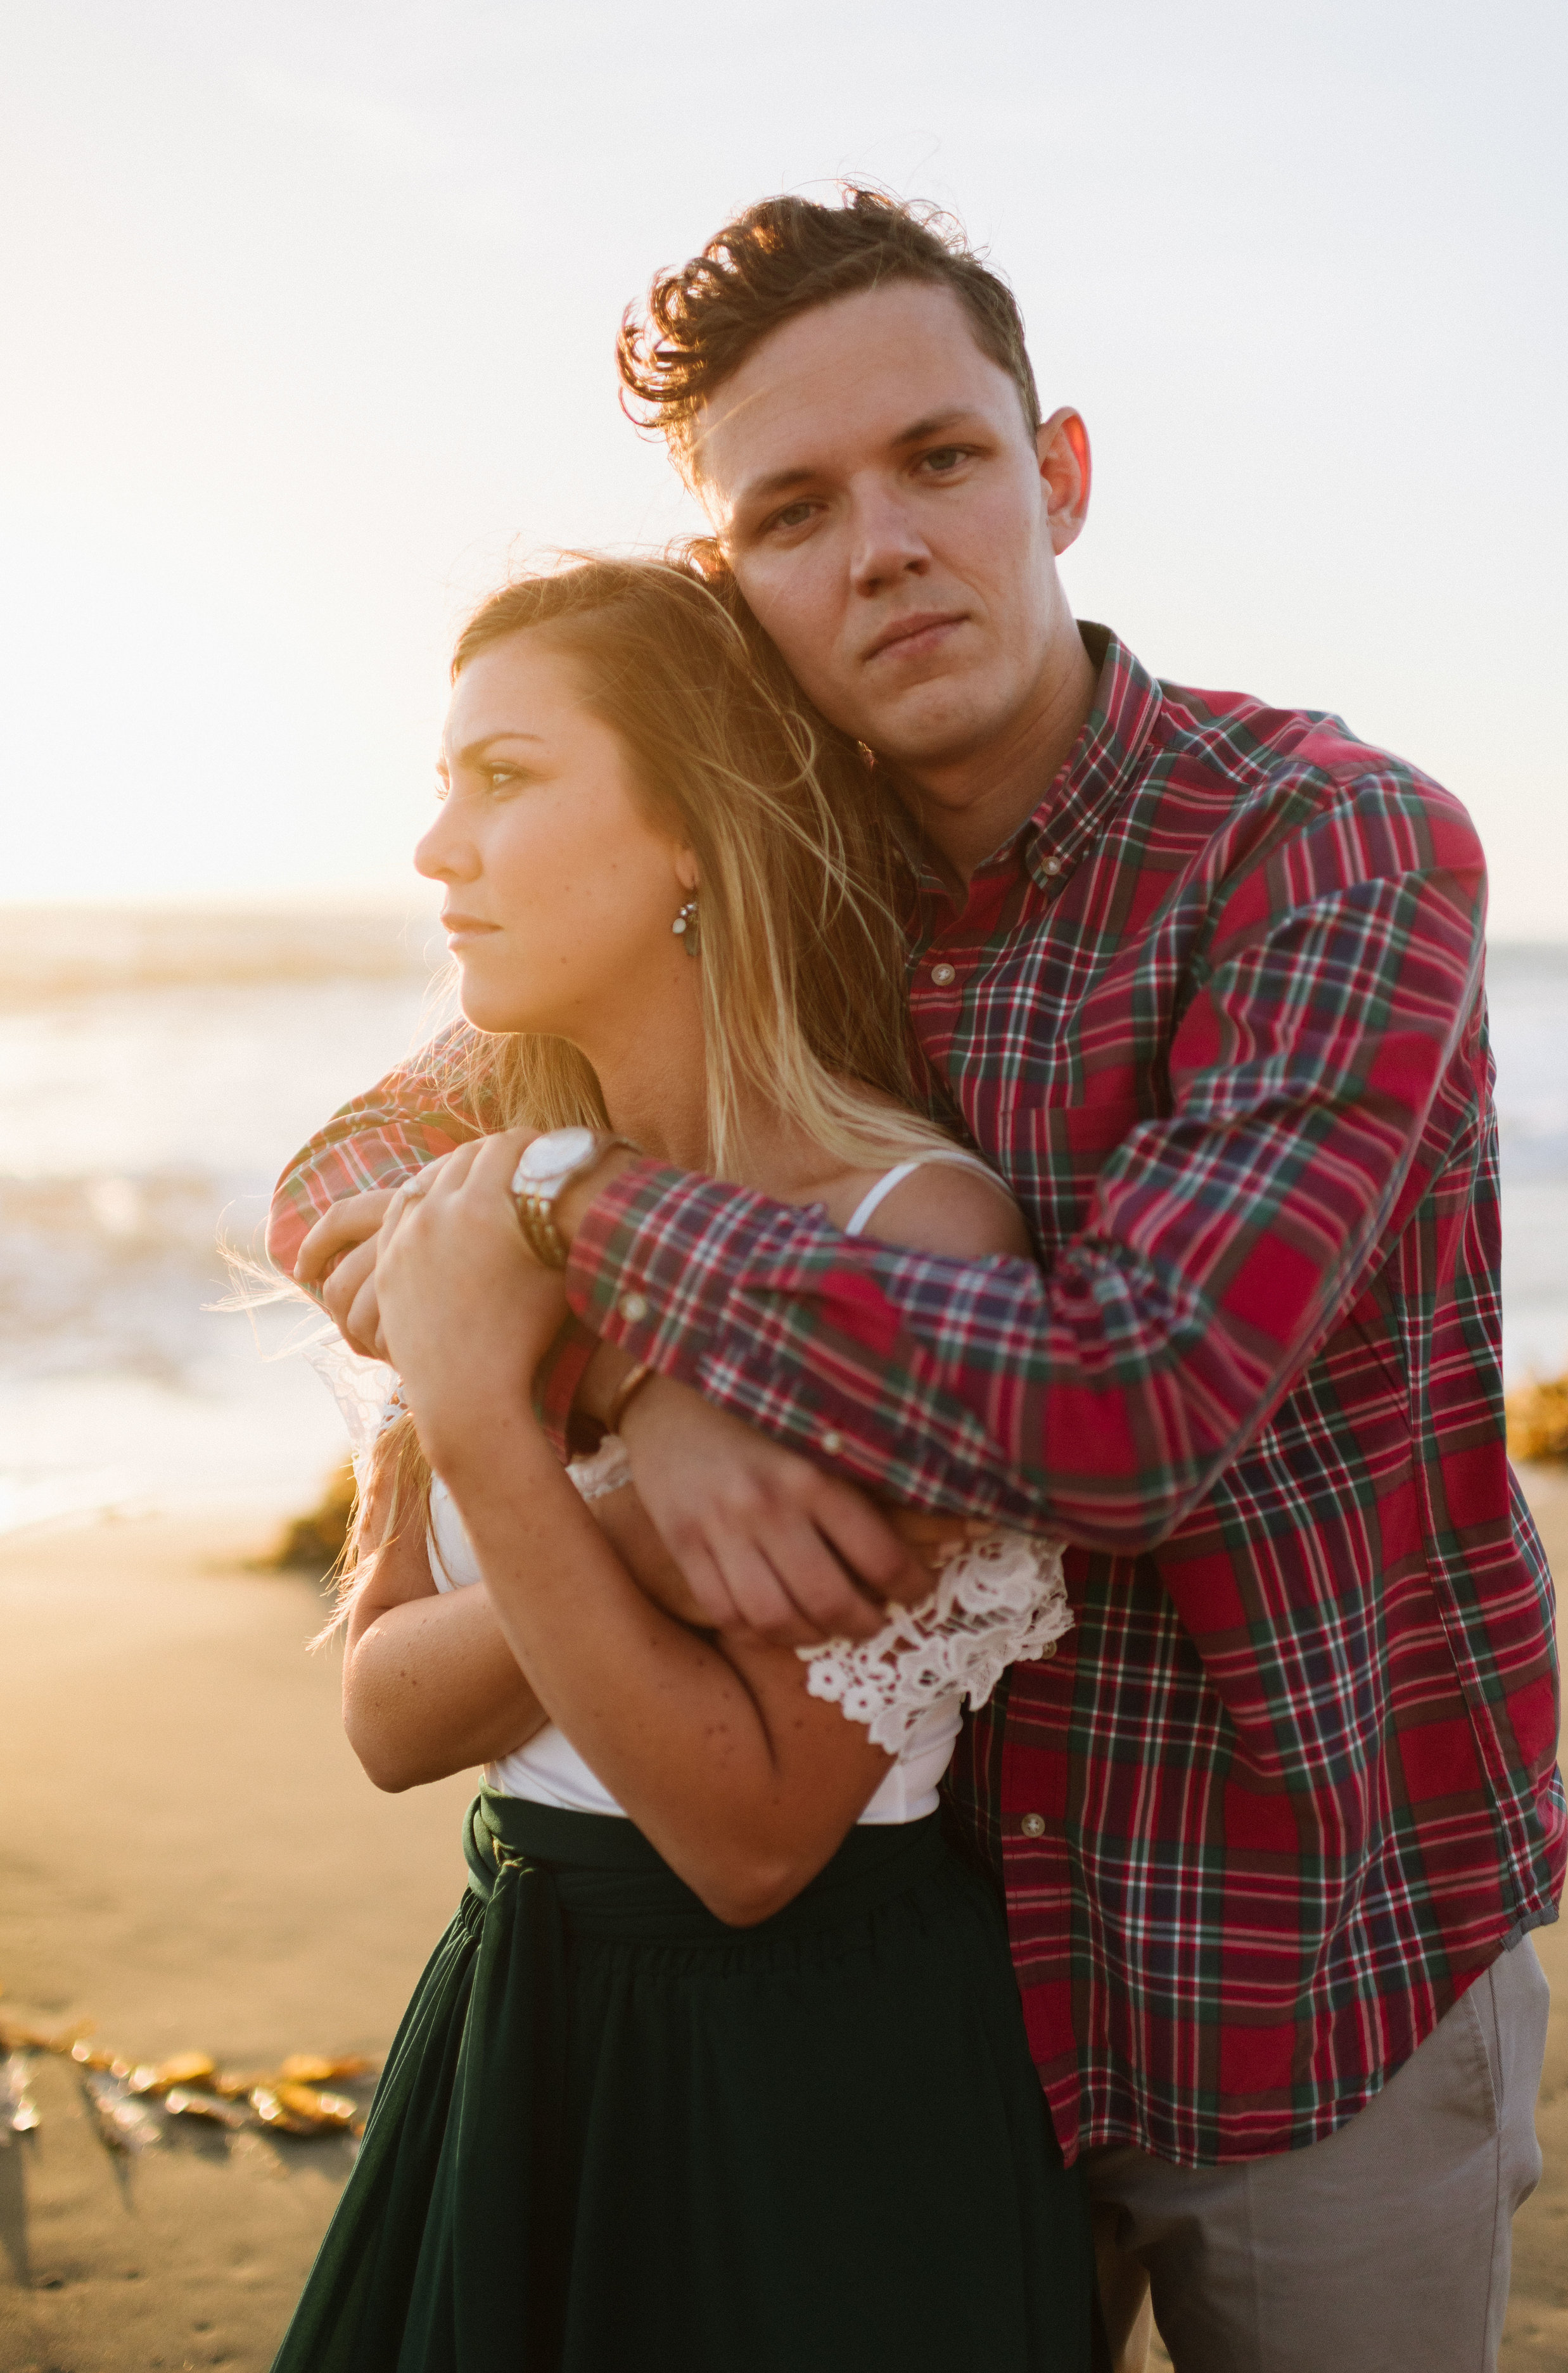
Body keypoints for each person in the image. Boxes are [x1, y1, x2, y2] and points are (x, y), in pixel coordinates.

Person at [271, 193, 1564, 2371]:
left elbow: (1131, 1406)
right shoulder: (770, 877)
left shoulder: (1325, 847)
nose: (879, 545)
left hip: (1301, 1972)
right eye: (793, 507)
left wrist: (590, 1235)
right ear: (731, 583)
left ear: (1054, 472)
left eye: (939, 461)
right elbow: (349, 1176)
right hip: (926, 1990)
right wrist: (629, 1402)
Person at [269, 556, 1094, 2373]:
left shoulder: (912, 1233)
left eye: (503, 779)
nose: (433, 849)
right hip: (511, 2023)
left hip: (797, 2090)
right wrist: (626, 1505)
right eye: (442, 782)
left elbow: (747, 1836)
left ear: (693, 835)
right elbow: (387, 1716)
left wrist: (495, 1427)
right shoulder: (492, 1203)